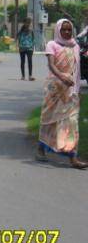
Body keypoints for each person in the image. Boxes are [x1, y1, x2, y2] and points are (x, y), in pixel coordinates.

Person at [36, 18, 87, 169]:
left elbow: (76, 71)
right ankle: (41, 149)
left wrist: (77, 90)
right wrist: (62, 77)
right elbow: (51, 65)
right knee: (49, 120)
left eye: (69, 30)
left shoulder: (75, 46)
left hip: (70, 91)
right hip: (54, 89)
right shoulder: (52, 45)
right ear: (58, 30)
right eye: (63, 29)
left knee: (72, 122)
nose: (66, 32)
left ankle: (73, 158)